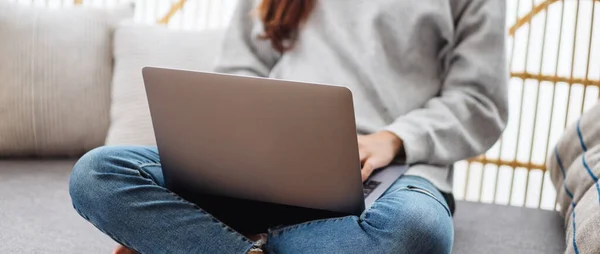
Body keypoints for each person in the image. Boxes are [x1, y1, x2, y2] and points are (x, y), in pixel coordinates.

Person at [69, 0, 508, 253]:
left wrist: (391, 139)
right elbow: (240, 66)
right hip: (265, 164)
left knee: (418, 231)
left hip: (397, 175)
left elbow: (480, 102)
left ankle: (204, 243)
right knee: (98, 174)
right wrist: (252, 134)